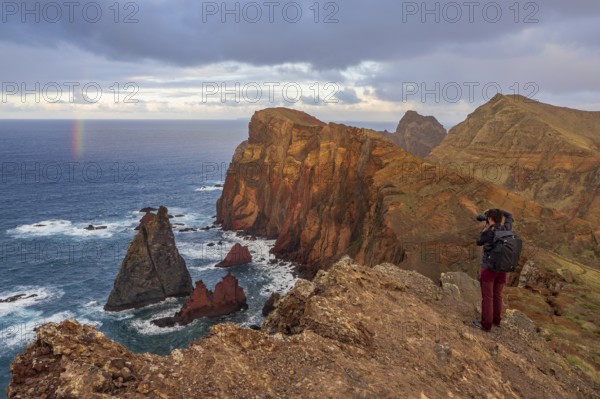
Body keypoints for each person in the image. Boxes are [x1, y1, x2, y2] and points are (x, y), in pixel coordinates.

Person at [473, 208, 513, 331]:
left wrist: (485, 227)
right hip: (502, 270)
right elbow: (509, 214)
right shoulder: (506, 230)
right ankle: (496, 320)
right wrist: (497, 211)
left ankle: (486, 324)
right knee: (498, 295)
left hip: (489, 270)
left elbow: (479, 242)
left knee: (488, 297)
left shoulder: (489, 233)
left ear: (490, 219)